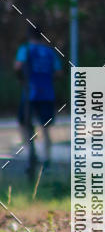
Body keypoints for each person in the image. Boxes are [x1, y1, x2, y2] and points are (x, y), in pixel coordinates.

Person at [14, 24, 61, 173]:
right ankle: (46, 159)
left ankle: (30, 152)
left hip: (30, 93)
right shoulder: (49, 52)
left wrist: (22, 80)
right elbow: (58, 72)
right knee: (46, 128)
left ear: (28, 35)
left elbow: (18, 66)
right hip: (47, 93)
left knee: (23, 123)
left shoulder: (25, 49)